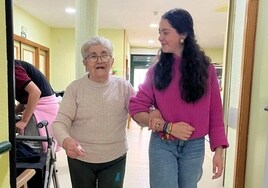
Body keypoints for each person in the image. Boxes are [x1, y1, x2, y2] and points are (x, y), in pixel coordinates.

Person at [128, 8, 229, 188]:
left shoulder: (207, 71)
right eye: (159, 32)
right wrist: (167, 126)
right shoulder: (155, 71)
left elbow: (215, 113)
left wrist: (219, 151)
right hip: (163, 144)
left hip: (195, 147)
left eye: (165, 32)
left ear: (183, 34)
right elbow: (136, 107)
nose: (160, 37)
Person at [52, 36, 135, 188]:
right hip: (80, 158)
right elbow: (60, 122)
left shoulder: (124, 87)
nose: (99, 60)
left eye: (104, 54)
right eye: (93, 56)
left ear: (112, 61)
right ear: (85, 63)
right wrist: (66, 140)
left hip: (115, 157)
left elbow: (139, 112)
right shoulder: (75, 88)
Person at [15, 59, 60, 152]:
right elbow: (25, 102)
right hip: (49, 107)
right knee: (41, 150)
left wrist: (23, 121)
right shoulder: (16, 66)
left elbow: (35, 93)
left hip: (42, 109)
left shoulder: (13, 69)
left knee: (29, 149)